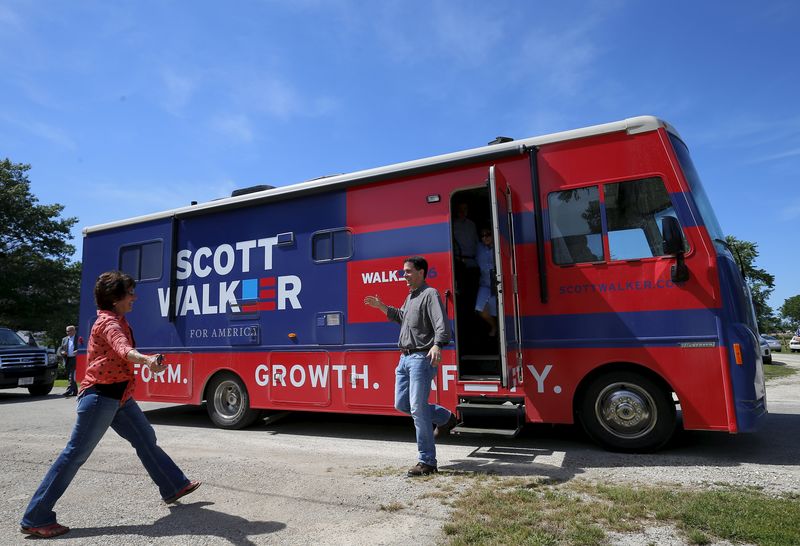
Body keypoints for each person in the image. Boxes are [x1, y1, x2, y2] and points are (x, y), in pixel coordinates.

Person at [20, 271, 200, 539]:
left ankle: (173, 485)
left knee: (145, 439)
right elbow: (122, 348)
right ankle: (36, 516)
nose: (134, 297)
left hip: (120, 398)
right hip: (100, 399)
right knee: (74, 456)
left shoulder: (117, 319)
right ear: (115, 299)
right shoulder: (109, 324)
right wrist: (147, 360)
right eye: (130, 293)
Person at [364, 256, 457, 477]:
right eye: (403, 271)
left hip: (420, 358)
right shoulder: (411, 297)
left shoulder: (430, 294)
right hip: (404, 359)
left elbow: (442, 324)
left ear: (421, 272)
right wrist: (381, 307)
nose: (403, 275)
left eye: (407, 271)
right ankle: (446, 418)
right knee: (402, 404)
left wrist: (437, 345)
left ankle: (427, 462)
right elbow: (401, 317)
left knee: (417, 408)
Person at [475, 229, 498, 337]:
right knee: (480, 310)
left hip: (497, 282)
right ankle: (494, 326)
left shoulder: (499, 245)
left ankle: (500, 332)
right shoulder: (478, 247)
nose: (485, 237)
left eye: (488, 234)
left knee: (497, 310)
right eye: (482, 235)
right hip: (484, 284)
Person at [59, 325, 79, 397]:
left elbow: (84, 347)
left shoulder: (79, 338)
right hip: (67, 359)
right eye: (67, 331)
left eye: (69, 331)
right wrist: (62, 352)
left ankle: (69, 390)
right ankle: (75, 391)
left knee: (72, 375)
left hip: (75, 359)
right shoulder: (64, 339)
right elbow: (60, 349)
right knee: (70, 375)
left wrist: (78, 351)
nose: (68, 332)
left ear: (74, 331)